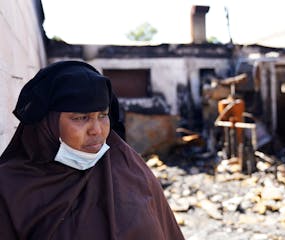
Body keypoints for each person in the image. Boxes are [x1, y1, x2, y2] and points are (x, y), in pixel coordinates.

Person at [0, 61, 185, 240]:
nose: (97, 130)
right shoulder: (10, 187)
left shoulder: (128, 166)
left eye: (103, 115)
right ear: (47, 123)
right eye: (81, 118)